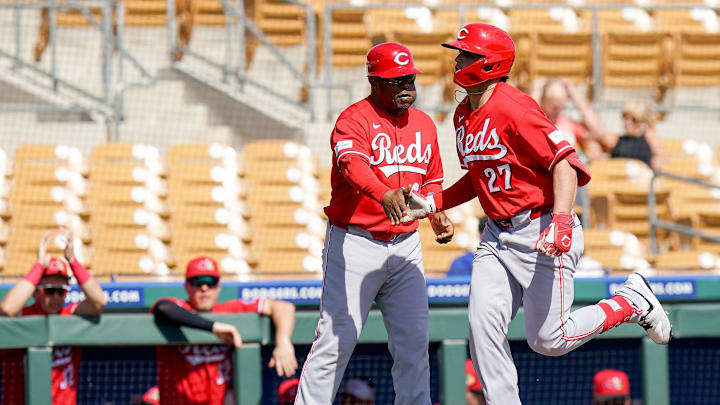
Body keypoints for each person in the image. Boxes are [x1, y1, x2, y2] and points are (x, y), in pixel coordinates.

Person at [400, 23, 672, 404]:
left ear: (488, 63)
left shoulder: (515, 106)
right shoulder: (463, 113)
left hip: (542, 226)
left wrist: (561, 219)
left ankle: (629, 302)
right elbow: (479, 176)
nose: (457, 61)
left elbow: (566, 163)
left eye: (465, 55)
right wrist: (434, 203)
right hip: (497, 235)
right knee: (482, 327)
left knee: (549, 340)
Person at [294, 42, 453, 405]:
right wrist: (382, 192)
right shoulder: (354, 119)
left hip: (406, 245)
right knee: (336, 339)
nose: (406, 86)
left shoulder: (426, 124)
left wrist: (436, 211)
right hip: (355, 241)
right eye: (396, 81)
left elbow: (432, 180)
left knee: (414, 344)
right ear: (374, 82)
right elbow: (352, 165)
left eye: (410, 78)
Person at [151, 256, 297, 405]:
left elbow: (283, 307)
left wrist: (283, 342)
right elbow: (162, 307)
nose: (204, 288)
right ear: (187, 286)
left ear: (219, 286)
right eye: (197, 282)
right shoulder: (180, 308)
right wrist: (214, 327)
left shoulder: (230, 310)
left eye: (210, 282)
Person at [0, 228, 107, 405]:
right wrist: (39, 266)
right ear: (36, 292)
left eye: (61, 291)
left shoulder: (70, 315)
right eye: (50, 290)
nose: (56, 297)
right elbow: (7, 309)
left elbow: (99, 302)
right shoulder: (23, 315)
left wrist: (73, 261)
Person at [532, 77, 605, 161]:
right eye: (552, 101)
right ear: (542, 100)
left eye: (560, 101)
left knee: (594, 146)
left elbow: (599, 132)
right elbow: (527, 126)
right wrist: (535, 93)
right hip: (541, 167)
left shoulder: (569, 124)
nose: (556, 106)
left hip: (566, 167)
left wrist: (576, 97)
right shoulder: (536, 122)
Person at [594, 99, 666, 170]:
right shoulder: (617, 140)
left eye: (634, 119)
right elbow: (597, 129)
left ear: (643, 121)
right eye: (625, 118)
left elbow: (661, 157)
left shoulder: (649, 138)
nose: (627, 122)